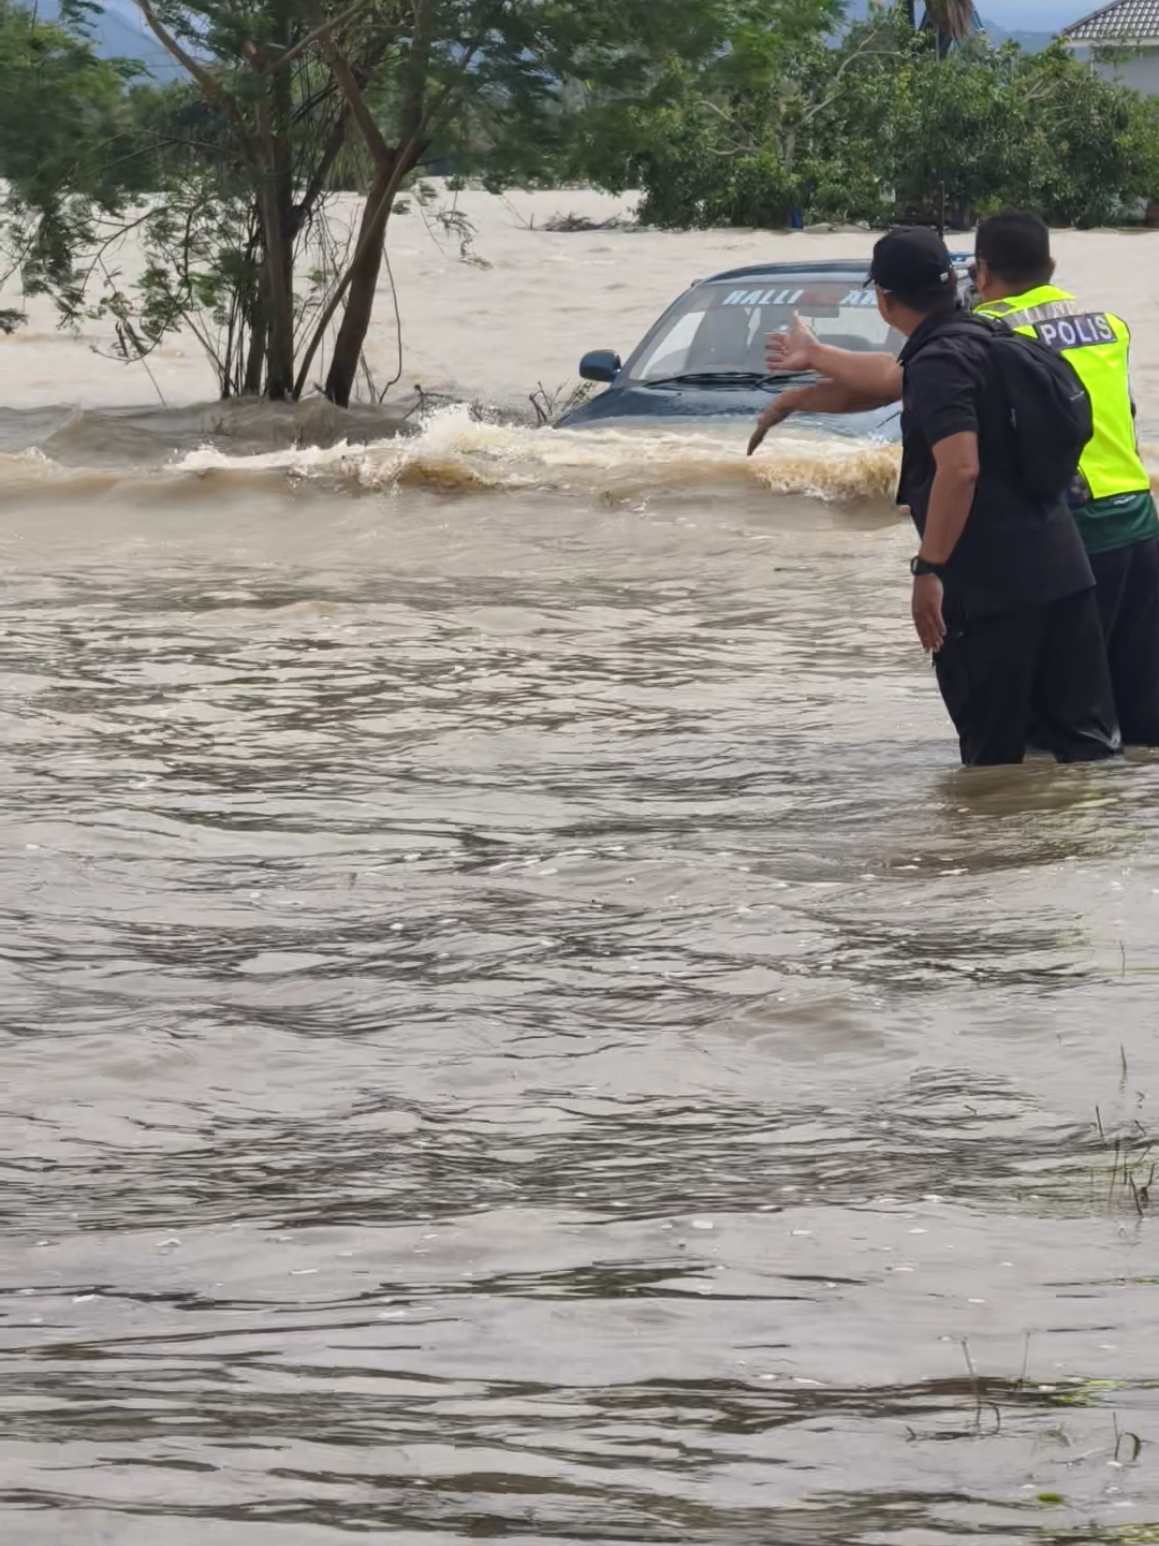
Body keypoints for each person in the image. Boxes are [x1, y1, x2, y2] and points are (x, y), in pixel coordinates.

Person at [748, 225, 1120, 768]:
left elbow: (960, 468)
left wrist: (929, 570)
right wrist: (801, 398)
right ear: (953, 284)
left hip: (991, 590)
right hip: (1064, 573)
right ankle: (1092, 853)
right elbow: (894, 382)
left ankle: (993, 855)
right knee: (1089, 752)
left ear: (884, 299)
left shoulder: (939, 361)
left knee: (993, 764)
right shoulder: (985, 338)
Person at [971, 212, 1159, 746]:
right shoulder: (1110, 324)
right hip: (1140, 523)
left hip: (1070, 533)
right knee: (1143, 710)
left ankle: (1071, 825)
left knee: (1067, 718)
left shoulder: (993, 332)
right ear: (1051, 264)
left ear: (982, 271)